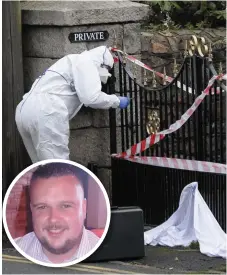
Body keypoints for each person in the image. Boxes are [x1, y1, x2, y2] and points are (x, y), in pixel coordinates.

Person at [15, 46, 130, 163]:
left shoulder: (72, 60)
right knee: (57, 168)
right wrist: (116, 100)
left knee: (41, 167)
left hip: (24, 109)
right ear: (102, 64)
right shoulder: (86, 62)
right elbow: (91, 98)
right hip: (47, 111)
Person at [14, 163, 101, 264]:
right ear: (32, 210)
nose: (53, 219)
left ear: (84, 208)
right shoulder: (12, 253)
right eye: (42, 207)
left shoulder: (107, 256)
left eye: (65, 206)